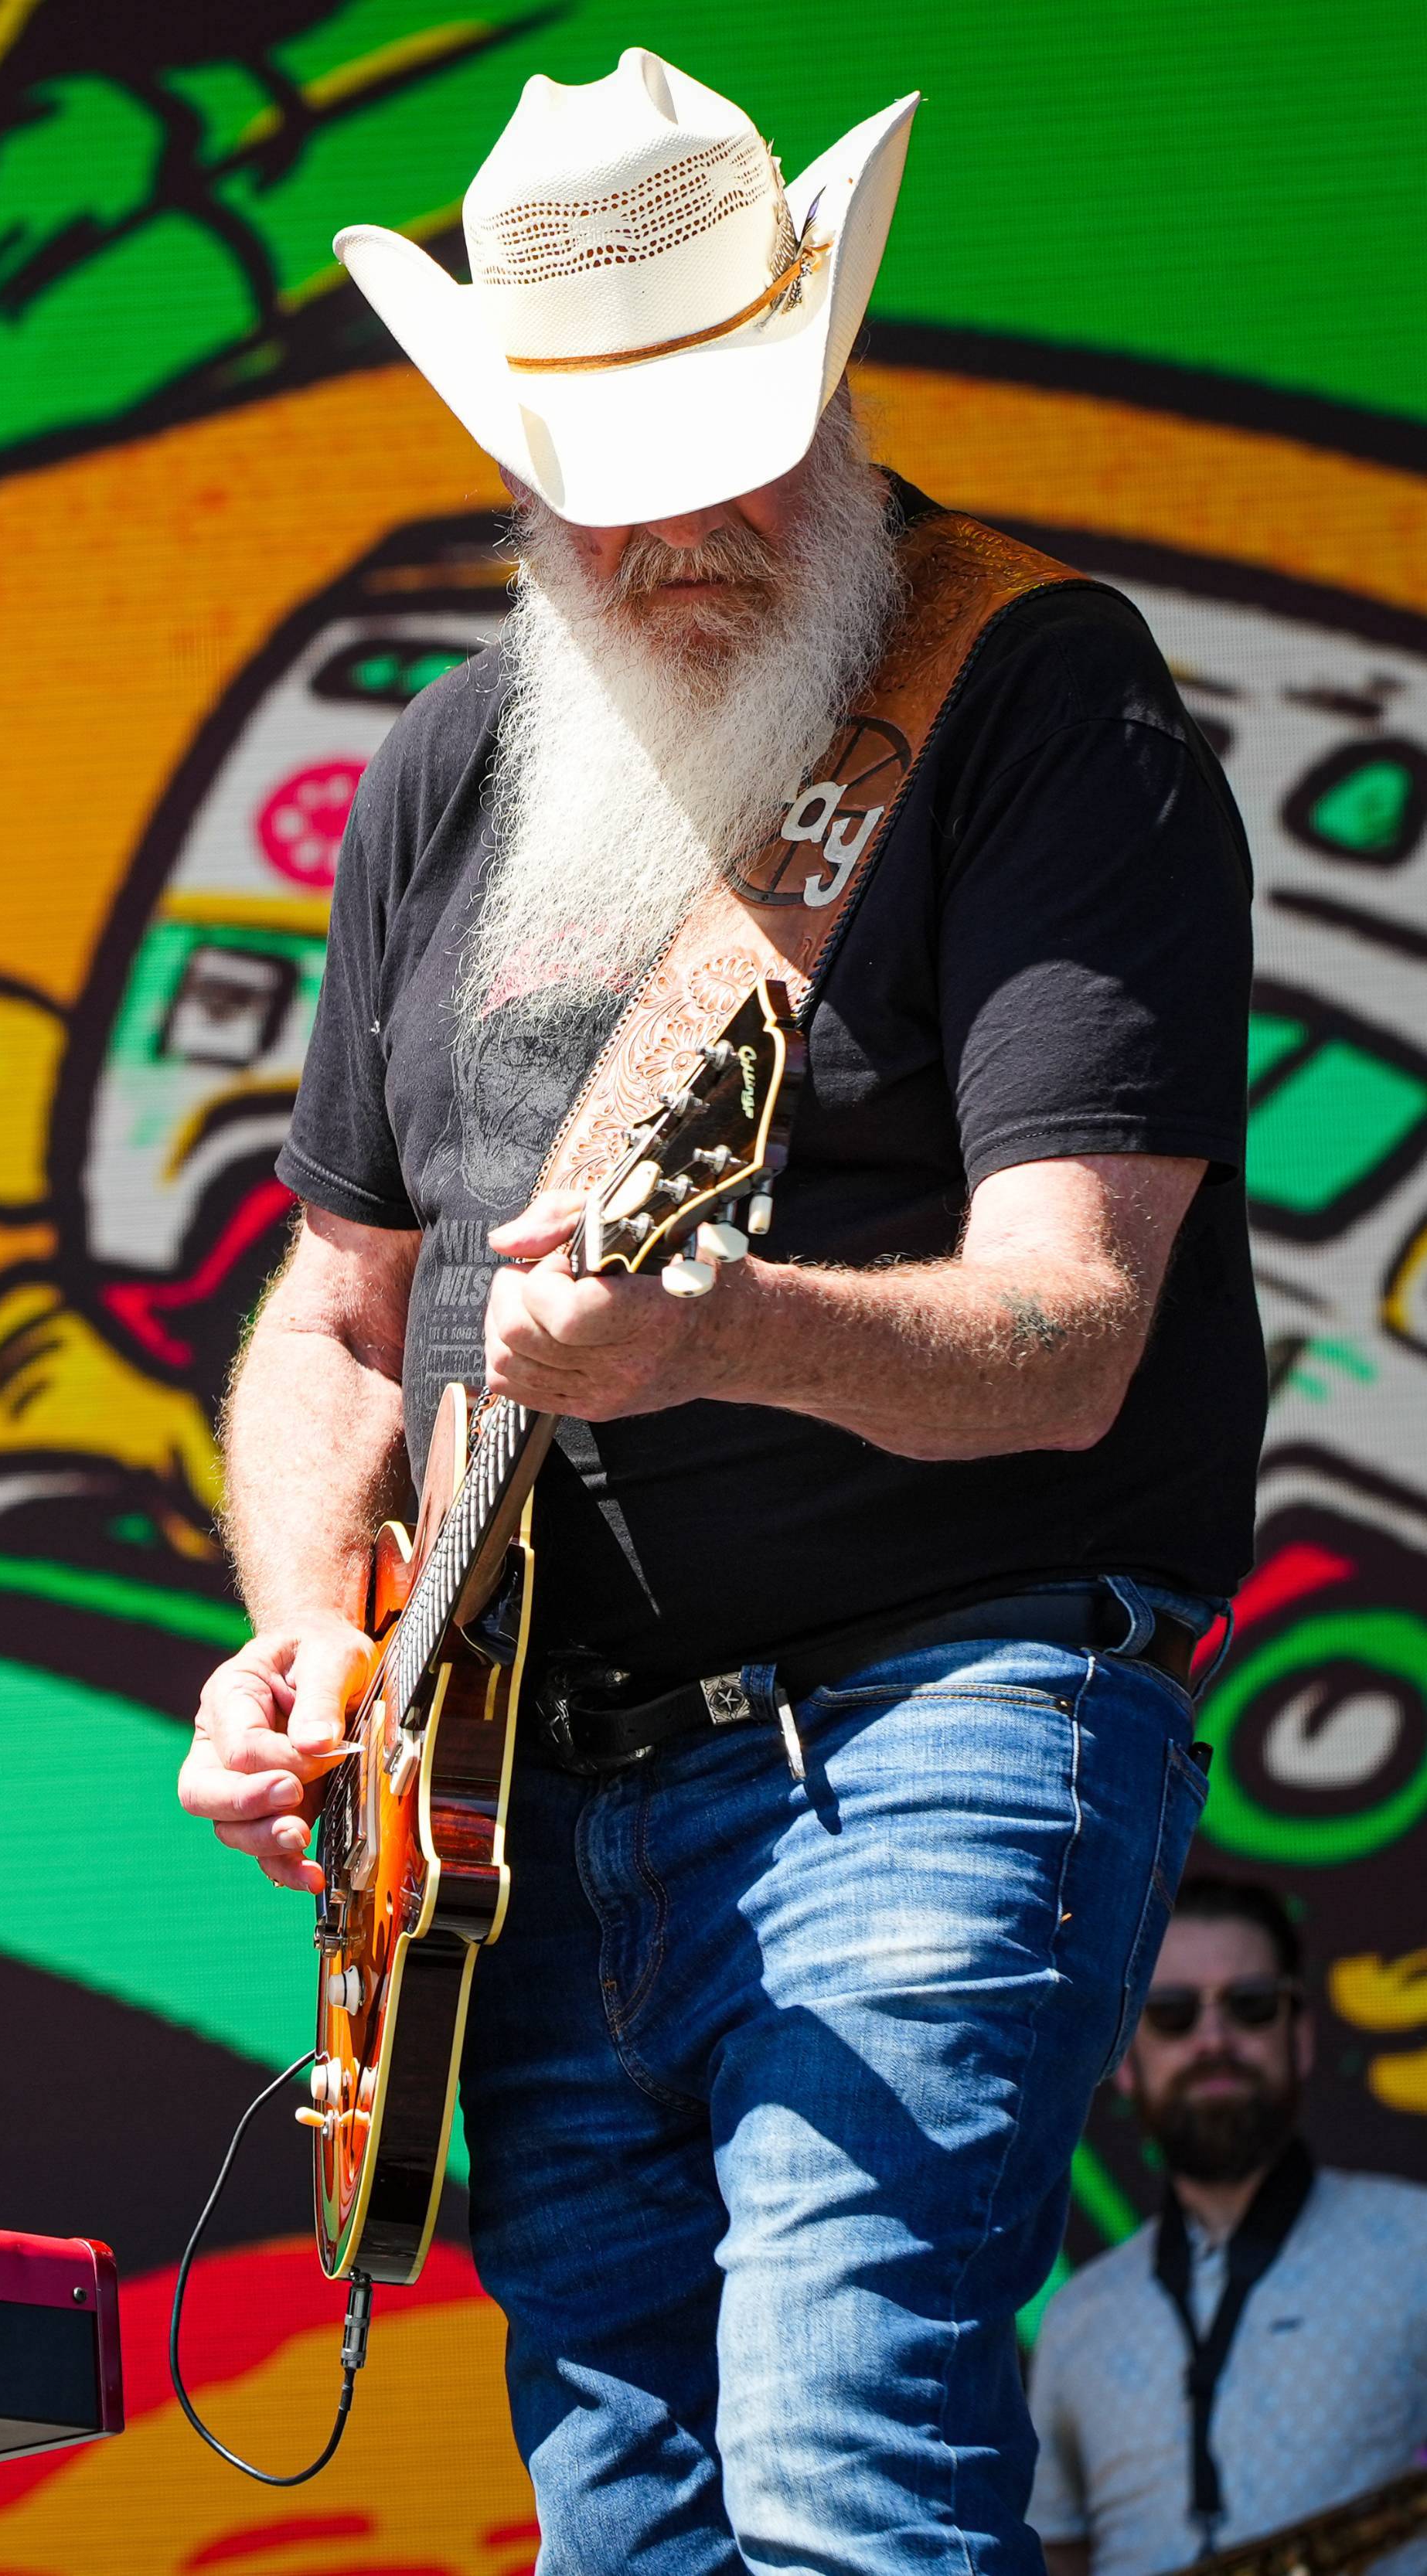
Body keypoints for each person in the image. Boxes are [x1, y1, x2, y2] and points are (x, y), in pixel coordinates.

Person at [170, 46, 1263, 2576]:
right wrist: (304, 1643)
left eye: (740, 443)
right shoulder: (448, 774)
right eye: (610, 471)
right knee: (626, 2533)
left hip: (936, 1722)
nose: (681, 526)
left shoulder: (1033, 698)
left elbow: (1076, 1320)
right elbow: (334, 1325)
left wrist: (717, 1331)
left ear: (837, 385)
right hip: (518, 1826)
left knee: (849, 2479)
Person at [1030, 1875, 1427, 2576]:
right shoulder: (1074, 2317)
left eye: (1250, 2006)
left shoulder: (1418, 2241)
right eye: (1173, 2014)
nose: (1214, 2039)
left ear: (1300, 2037)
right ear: (1125, 2059)